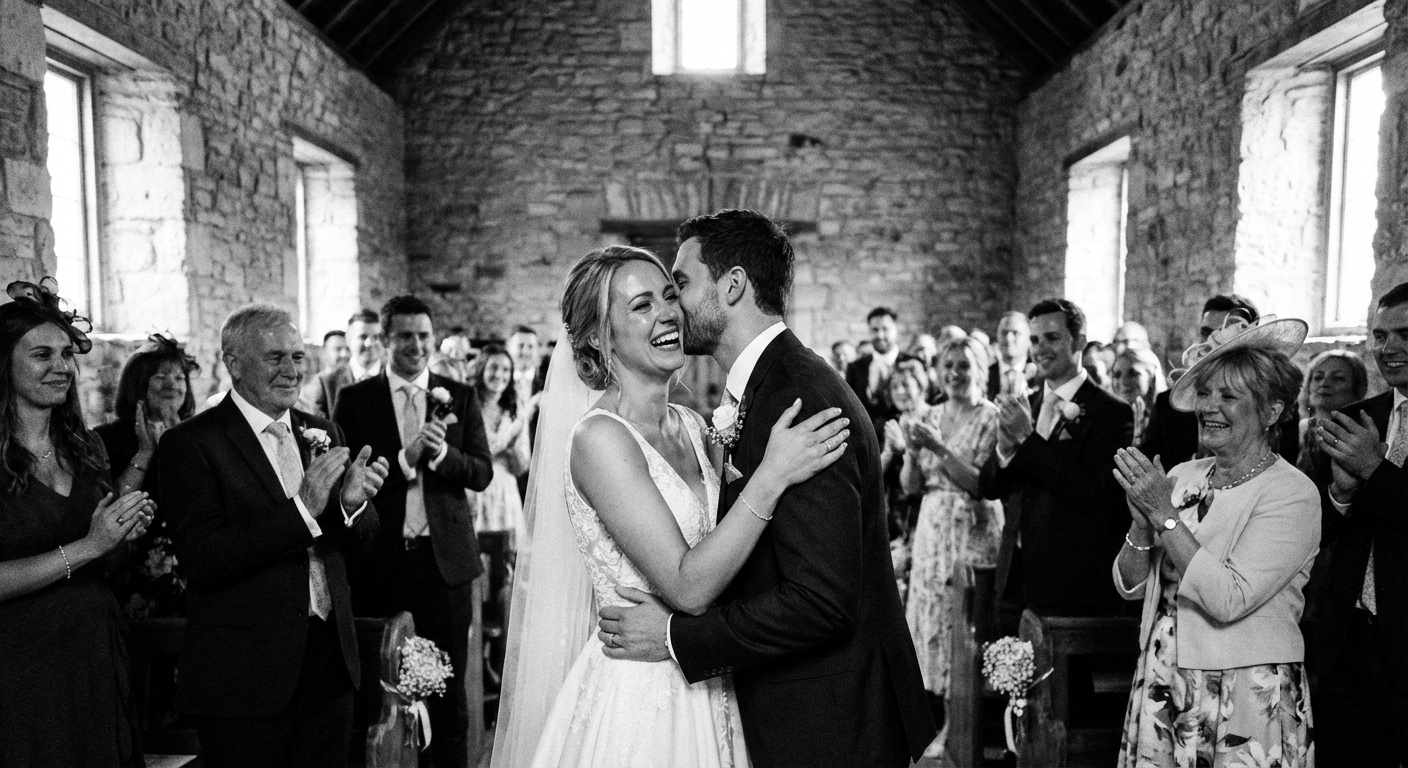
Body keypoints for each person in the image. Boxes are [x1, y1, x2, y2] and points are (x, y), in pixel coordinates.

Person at [492, 243, 851, 766]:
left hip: (710, 671)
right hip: (641, 694)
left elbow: (729, 552)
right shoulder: (599, 440)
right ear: (598, 336)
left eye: (668, 296)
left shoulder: (691, 425)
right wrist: (771, 476)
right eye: (640, 306)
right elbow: (688, 584)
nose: (666, 314)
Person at [597, 210, 935, 765]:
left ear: (732, 285)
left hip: (831, 723)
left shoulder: (798, 398)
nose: (672, 306)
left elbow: (821, 601)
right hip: (798, 709)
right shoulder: (767, 388)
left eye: (680, 285)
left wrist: (679, 637)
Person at [160, 305, 388, 768]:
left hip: (329, 660)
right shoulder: (192, 443)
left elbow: (361, 543)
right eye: (275, 358)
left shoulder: (322, 431)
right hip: (246, 673)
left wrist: (352, 506)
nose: (291, 371)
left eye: (299, 357)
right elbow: (205, 558)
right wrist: (302, 508)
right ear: (235, 363)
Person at [1113, 314, 1317, 767]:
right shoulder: (1182, 476)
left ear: (1271, 411)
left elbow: (1228, 599)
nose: (1209, 407)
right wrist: (1141, 526)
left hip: (1245, 689)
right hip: (1164, 674)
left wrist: (1164, 516)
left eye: (1229, 395)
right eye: (1205, 393)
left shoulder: (1292, 492)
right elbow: (1129, 587)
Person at [334, 294, 494, 768]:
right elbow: (350, 480)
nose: (417, 345)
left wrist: (444, 456)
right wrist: (406, 458)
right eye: (406, 335)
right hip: (380, 564)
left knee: (446, 695)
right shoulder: (356, 400)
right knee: (382, 692)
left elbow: (482, 471)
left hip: (442, 565)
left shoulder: (457, 396)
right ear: (385, 340)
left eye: (424, 335)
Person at [0, 279, 154, 768]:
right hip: (20, 666)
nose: (61, 367)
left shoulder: (84, 447)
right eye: (42, 355)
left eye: (67, 354)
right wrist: (90, 545)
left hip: (94, 652)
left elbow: (106, 558)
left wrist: (122, 530)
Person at [980, 298, 1134, 622]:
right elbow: (990, 486)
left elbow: (1089, 491)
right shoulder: (1029, 403)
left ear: (1078, 341)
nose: (1040, 349)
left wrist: (1026, 439)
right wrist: (1005, 449)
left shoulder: (1112, 412)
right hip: (1016, 572)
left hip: (1069, 578)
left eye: (1052, 338)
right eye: (1034, 340)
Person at [1309, 282, 1408, 767]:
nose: (1389, 348)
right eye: (1380, 335)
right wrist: (1340, 496)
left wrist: (1375, 471)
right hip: (1348, 639)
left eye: (1405, 334)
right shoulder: (1359, 417)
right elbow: (1321, 533)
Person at [900, 336, 1003, 759]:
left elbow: (981, 483)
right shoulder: (928, 413)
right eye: (948, 366)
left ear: (979, 368)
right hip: (931, 527)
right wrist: (910, 451)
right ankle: (931, 717)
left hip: (971, 527)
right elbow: (911, 487)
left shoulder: (991, 417)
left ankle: (958, 721)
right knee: (926, 619)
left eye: (964, 365)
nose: (955, 374)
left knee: (959, 621)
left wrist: (939, 447)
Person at [96, 334, 200, 618]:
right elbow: (115, 509)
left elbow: (200, 504)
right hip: (131, 568)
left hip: (192, 570)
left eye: (180, 378)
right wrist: (145, 450)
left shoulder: (200, 435)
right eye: (160, 376)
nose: (172, 384)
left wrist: (178, 445)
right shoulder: (107, 438)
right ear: (138, 384)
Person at [1141, 294, 1297, 469]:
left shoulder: (1270, 403)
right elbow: (1150, 463)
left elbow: (1283, 463)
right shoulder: (1167, 403)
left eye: (1223, 331)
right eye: (1206, 332)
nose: (1212, 340)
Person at [467, 345, 530, 544]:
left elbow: (521, 467)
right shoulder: (469, 407)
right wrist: (497, 447)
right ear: (481, 370)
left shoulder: (514, 411)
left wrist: (511, 450)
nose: (499, 375)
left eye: (505, 370)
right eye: (493, 367)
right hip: (473, 491)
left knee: (505, 563)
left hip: (505, 494)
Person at [1295, 350, 1369, 481]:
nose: (1324, 383)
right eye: (1318, 377)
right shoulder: (1294, 431)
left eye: (1338, 378)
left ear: (1357, 388)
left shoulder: (1360, 437)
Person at [300, 309, 383, 418]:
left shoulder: (393, 377)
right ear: (348, 340)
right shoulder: (326, 384)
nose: (370, 343)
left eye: (376, 337)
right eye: (363, 337)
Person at [846, 306, 901, 444]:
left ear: (895, 330)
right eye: (875, 330)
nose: (880, 335)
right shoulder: (856, 367)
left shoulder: (911, 362)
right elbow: (850, 407)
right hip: (869, 442)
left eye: (885, 329)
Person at [1110, 346, 1167, 448]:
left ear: (1152, 378)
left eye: (1133, 374)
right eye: (1117, 375)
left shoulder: (1167, 418)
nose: (1124, 382)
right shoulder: (1107, 419)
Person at [987, 311, 1035, 400]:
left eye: (1015, 333)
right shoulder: (986, 375)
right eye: (1004, 333)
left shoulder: (1039, 375)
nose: (1009, 339)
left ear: (1029, 338)